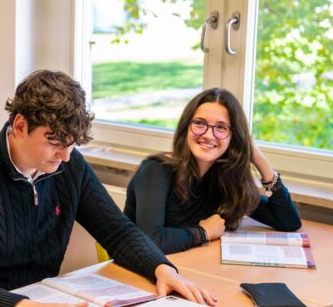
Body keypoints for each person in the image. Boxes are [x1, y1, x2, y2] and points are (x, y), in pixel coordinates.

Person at [0, 70, 217, 307]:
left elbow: (117, 231)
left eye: (72, 144)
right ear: (20, 126)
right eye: (55, 142)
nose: (66, 156)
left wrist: (161, 268)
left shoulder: (69, 166)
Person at [123, 88, 302, 254]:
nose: (208, 135)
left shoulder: (223, 177)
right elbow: (152, 241)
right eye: (200, 123)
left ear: (234, 137)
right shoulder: (155, 171)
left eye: (221, 127)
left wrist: (259, 160)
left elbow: (288, 222)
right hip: (133, 274)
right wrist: (203, 232)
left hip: (185, 270)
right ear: (186, 128)